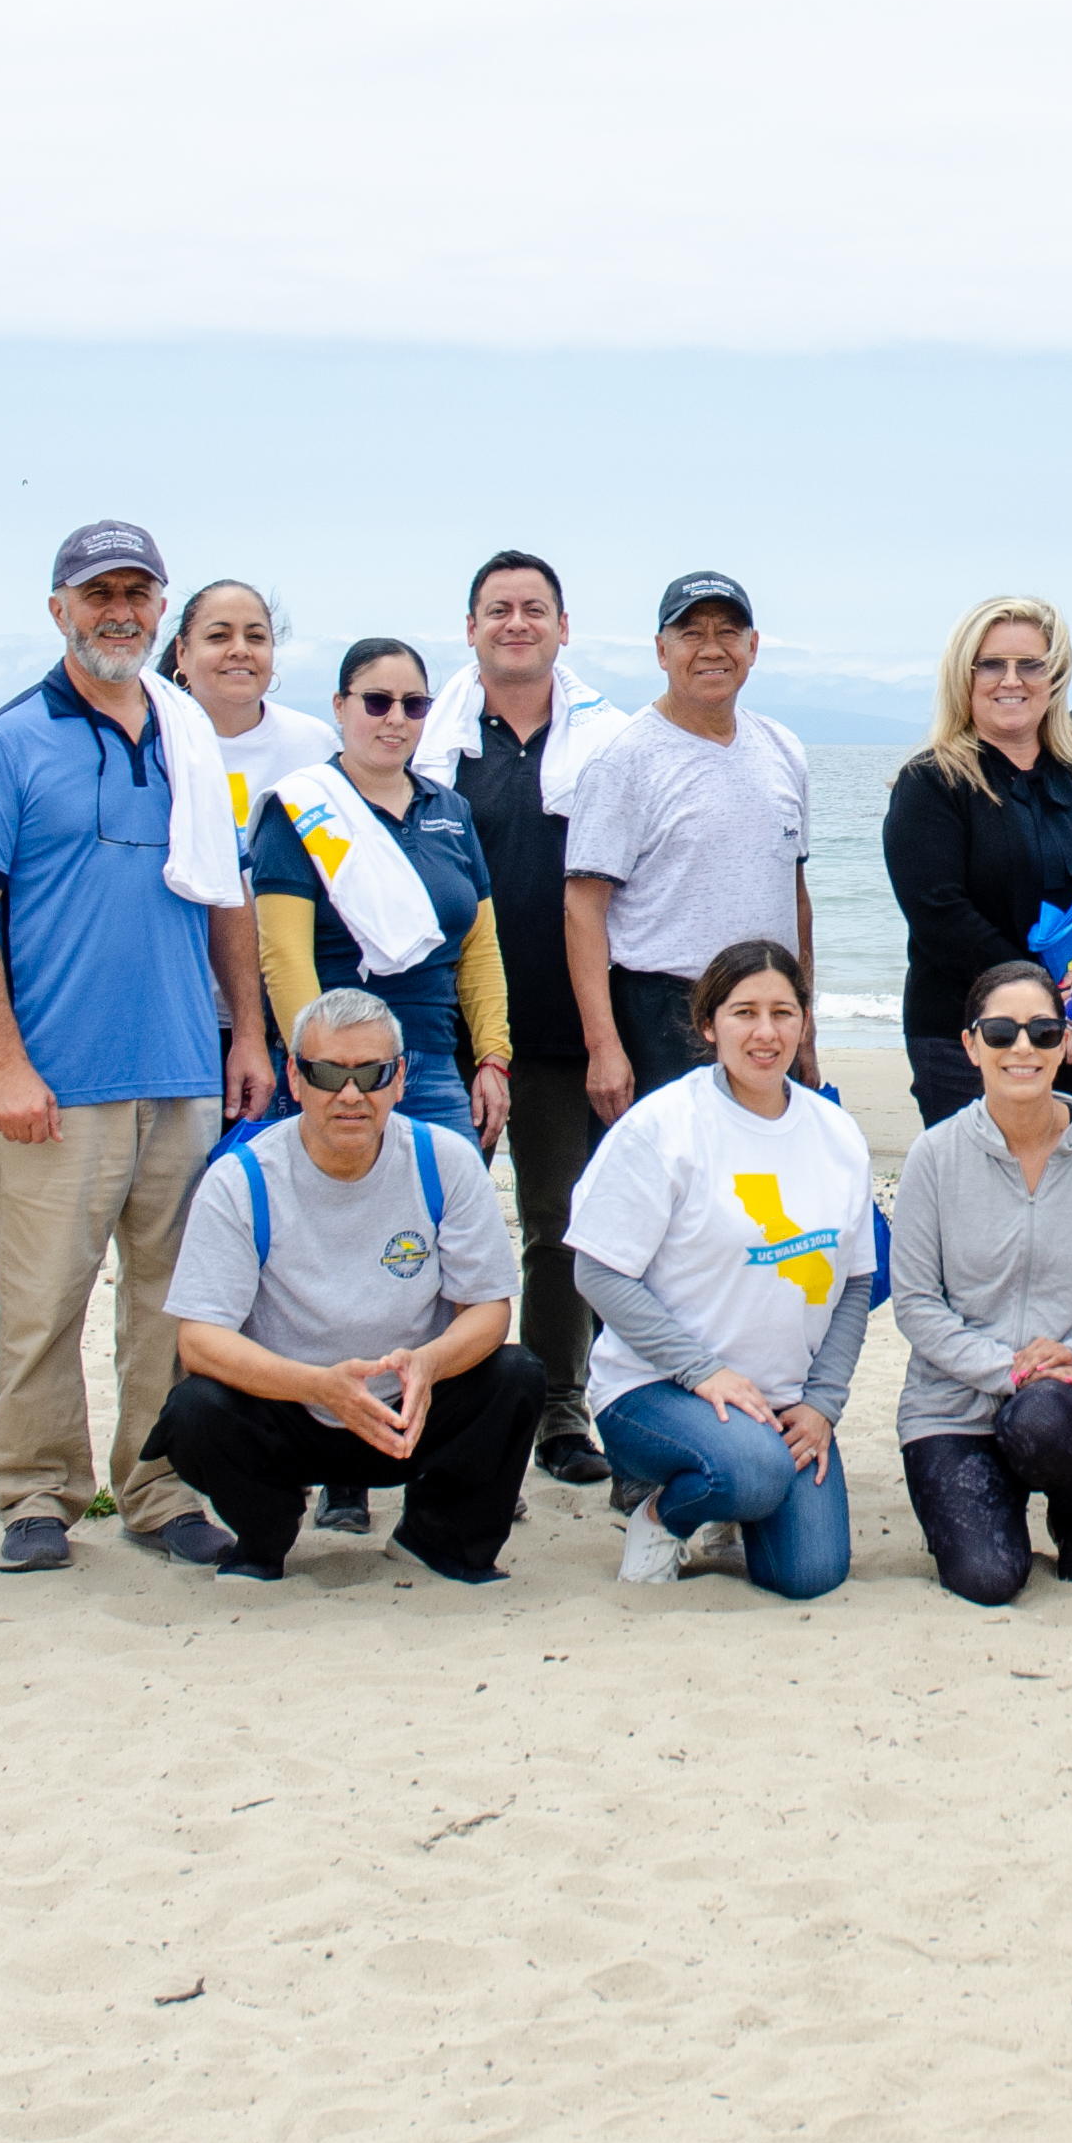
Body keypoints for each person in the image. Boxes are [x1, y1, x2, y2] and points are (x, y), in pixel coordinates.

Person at [0, 521, 277, 1576]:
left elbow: (227, 898)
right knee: (42, 1304)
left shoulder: (186, 734)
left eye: (137, 592)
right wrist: (3, 1062)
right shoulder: (11, 738)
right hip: (56, 1079)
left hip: (181, 1068)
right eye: (98, 593)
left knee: (168, 1304)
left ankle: (158, 1483)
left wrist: (250, 1036)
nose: (118, 610)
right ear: (59, 608)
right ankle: (37, 1490)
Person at [143, 991, 540, 1584]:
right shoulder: (243, 1177)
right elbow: (199, 1339)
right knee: (196, 1411)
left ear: (400, 1078)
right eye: (326, 1073)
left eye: (371, 1074)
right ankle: (264, 1538)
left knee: (517, 1375)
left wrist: (428, 1365)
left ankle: (441, 1541)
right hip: (292, 1406)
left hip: (407, 1407)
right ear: (294, 1079)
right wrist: (320, 1387)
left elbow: (487, 1310)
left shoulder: (445, 1161)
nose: (350, 1094)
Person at [416, 548, 634, 1490]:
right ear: (469, 628)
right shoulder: (427, 743)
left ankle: (556, 1404)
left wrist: (606, 1036)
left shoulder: (609, 743)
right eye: (497, 608)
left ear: (562, 627)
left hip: (558, 1023)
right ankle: (423, 1395)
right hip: (439, 1028)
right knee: (424, 1226)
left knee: (558, 1224)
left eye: (534, 608)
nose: (516, 622)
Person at [566, 940, 877, 1599]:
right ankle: (663, 1514)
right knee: (754, 1470)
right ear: (708, 1024)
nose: (765, 1032)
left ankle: (732, 1496)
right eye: (744, 1013)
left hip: (781, 1403)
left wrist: (822, 1404)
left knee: (809, 1573)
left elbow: (854, 1282)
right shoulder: (664, 1127)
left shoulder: (836, 1133)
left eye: (783, 1012)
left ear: (803, 1020)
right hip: (657, 1389)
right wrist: (702, 1370)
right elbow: (597, 1272)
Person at [889, 961, 1072, 1603]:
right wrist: (1007, 1370)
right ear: (971, 1044)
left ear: (1063, 1040)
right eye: (1001, 1031)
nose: (1022, 1048)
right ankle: (1010, 1495)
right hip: (950, 1407)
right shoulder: (934, 1157)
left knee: (1040, 1422)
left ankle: (1071, 1503)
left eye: (1042, 1031)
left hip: (1066, 1398)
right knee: (988, 1579)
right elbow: (917, 1305)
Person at [883, 595, 1072, 1123]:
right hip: (972, 1041)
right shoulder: (931, 783)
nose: (1011, 680)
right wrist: (1052, 1009)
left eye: (1030, 664)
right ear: (963, 676)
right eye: (991, 664)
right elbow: (941, 915)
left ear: (1054, 676)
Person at [563, 573, 815, 1120]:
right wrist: (604, 1046)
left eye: (728, 631)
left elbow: (794, 894)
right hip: (662, 1015)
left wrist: (806, 1023)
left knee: (763, 1183)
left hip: (769, 1010)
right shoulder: (622, 760)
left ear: (753, 646)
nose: (711, 649)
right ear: (661, 650)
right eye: (690, 633)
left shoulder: (783, 749)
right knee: (668, 1192)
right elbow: (583, 907)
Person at [250, 638, 512, 1145]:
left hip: (432, 1068)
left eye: (414, 705)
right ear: (340, 706)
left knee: (444, 1219)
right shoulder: (300, 810)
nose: (396, 719)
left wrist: (493, 1058)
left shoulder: (451, 811)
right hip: (337, 1074)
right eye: (377, 702)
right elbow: (284, 956)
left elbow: (479, 946)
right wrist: (317, 1070)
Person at [162, 579, 339, 840]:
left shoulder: (315, 743)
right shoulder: (155, 743)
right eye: (218, 636)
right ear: (182, 653)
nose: (241, 650)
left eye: (255, 637)